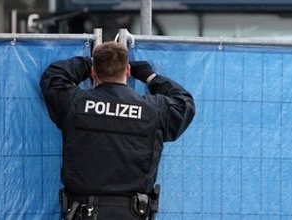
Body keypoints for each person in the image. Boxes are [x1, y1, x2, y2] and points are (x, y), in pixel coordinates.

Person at [40, 41, 195, 220]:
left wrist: (88, 63)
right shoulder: (153, 110)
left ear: (93, 73)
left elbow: (53, 78)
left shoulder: (74, 104)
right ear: (128, 71)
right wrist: (150, 77)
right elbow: (184, 103)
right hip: (133, 213)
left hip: (82, 212)